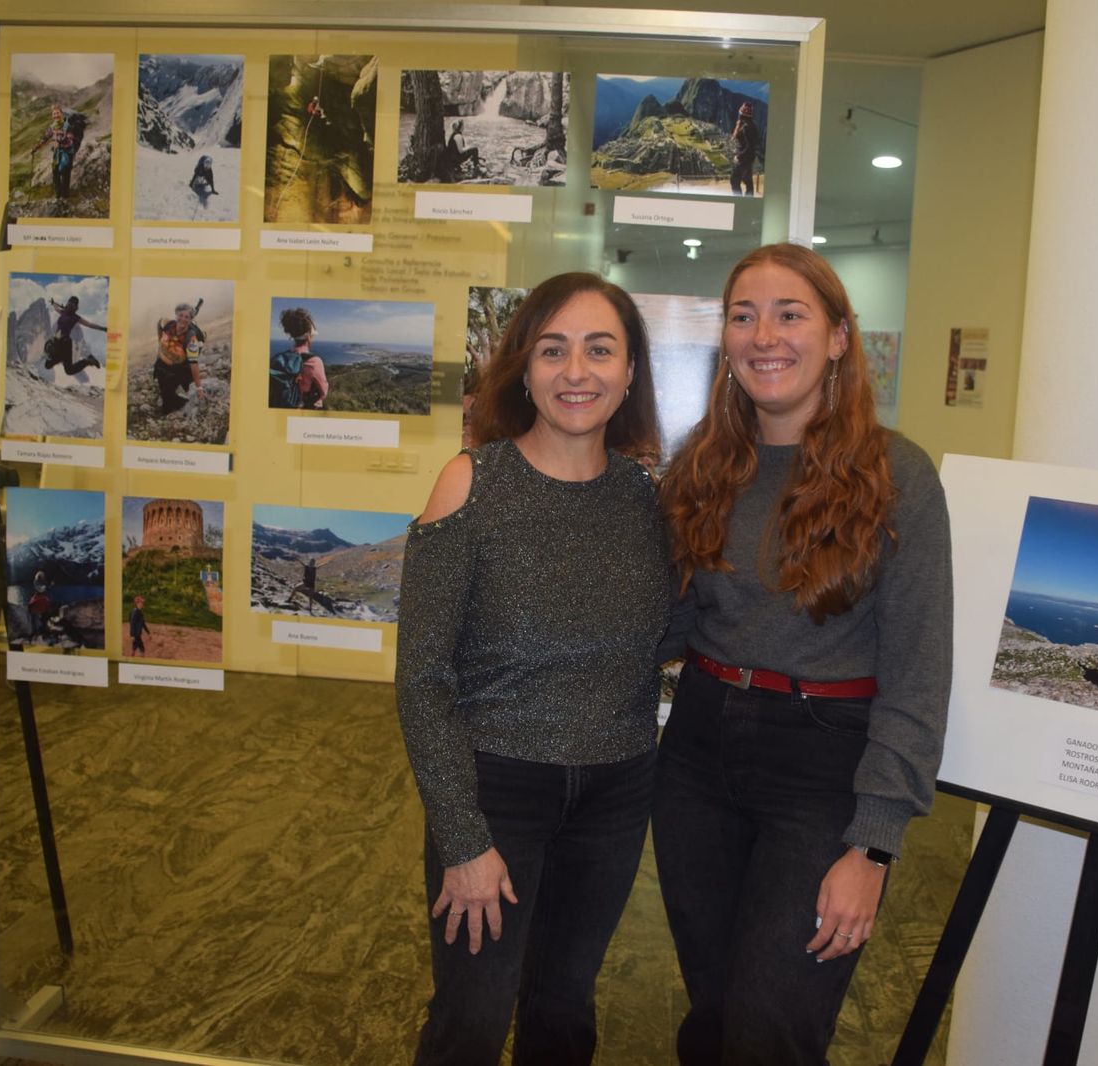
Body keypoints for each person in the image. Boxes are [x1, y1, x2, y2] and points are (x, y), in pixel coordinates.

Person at [653, 242, 953, 1064]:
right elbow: (667, 629)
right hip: (698, 755)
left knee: (772, 1027)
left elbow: (920, 673)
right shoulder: (701, 466)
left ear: (837, 339)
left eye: (791, 314)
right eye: (744, 316)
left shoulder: (898, 475)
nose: (764, 335)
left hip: (824, 769)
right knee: (713, 1013)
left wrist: (874, 845)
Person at [395, 272, 667, 1065]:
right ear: (523, 367)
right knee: (471, 1023)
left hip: (616, 794)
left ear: (629, 373)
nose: (575, 371)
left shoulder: (646, 500)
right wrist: (461, 835)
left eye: (598, 349)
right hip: (496, 792)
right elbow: (422, 678)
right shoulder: (470, 484)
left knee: (563, 1014)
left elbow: (664, 639)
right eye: (553, 350)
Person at [269, 307, 328, 409]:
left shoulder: (280, 359)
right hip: (304, 407)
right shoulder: (314, 362)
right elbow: (323, 391)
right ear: (309, 336)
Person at [154, 300, 205, 415]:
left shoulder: (191, 339)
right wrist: (161, 349)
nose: (183, 319)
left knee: (174, 400)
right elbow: (160, 331)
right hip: (162, 367)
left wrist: (199, 387)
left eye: (187, 317)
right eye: (181, 315)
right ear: (176, 314)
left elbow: (193, 363)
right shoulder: (166, 324)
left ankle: (183, 407)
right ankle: (171, 405)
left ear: (190, 320)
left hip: (179, 370)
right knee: (166, 396)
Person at [44, 295, 105, 377]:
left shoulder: (75, 318)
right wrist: (53, 303)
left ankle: (88, 361)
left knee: (69, 370)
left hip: (66, 344)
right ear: (67, 304)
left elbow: (90, 324)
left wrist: (103, 328)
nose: (70, 306)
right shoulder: (63, 312)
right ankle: (61, 358)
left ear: (76, 307)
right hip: (57, 343)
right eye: (69, 304)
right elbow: (56, 308)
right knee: (47, 365)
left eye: (73, 305)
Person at [31, 104, 78, 200]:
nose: (56, 115)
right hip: (57, 153)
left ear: (62, 114)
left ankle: (65, 198)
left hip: (67, 153)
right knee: (55, 174)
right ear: (52, 116)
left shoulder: (68, 125)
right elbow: (45, 138)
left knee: (65, 175)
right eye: (54, 114)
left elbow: (70, 137)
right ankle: (57, 197)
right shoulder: (52, 127)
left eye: (57, 113)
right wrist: (35, 148)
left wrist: (59, 142)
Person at [729, 102, 763, 196]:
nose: (739, 113)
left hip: (743, 159)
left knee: (734, 181)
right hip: (749, 158)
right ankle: (749, 200)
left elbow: (750, 146)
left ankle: (738, 201)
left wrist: (738, 157)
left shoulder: (746, 127)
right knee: (748, 182)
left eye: (741, 111)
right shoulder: (749, 124)